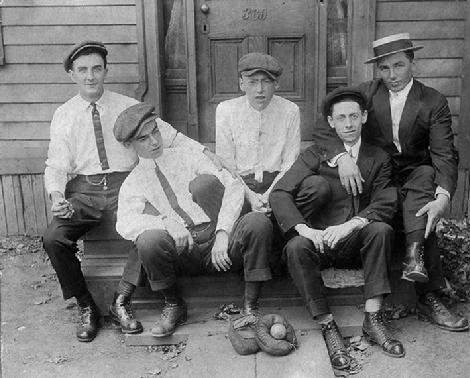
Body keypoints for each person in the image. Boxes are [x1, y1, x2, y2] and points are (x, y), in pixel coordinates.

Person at [42, 40, 222, 342]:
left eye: (96, 69)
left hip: (129, 183)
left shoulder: (126, 106)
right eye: (82, 70)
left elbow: (170, 136)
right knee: (53, 238)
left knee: (148, 225)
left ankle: (121, 301)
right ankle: (86, 305)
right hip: (85, 191)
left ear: (105, 71)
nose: (90, 77)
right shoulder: (64, 115)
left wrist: (205, 151)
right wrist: (57, 196)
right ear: (71, 75)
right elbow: (56, 165)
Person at [313, 33, 469, 332]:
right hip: (377, 177)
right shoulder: (366, 94)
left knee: (424, 186)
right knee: (416, 201)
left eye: (399, 66)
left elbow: (444, 154)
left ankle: (421, 275)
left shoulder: (432, 100)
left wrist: (444, 196)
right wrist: (342, 158)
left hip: (416, 179)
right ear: (377, 70)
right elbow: (323, 125)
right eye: (384, 69)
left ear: (413, 63)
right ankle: (420, 272)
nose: (392, 75)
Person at [270, 87, 404, 376]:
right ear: (330, 122)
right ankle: (327, 325)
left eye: (354, 116)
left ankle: (373, 318)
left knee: (380, 229)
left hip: (353, 240)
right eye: (341, 118)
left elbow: (387, 199)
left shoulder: (378, 157)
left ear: (364, 117)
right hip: (319, 242)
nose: (348, 124)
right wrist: (305, 230)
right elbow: (279, 193)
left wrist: (351, 226)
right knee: (294, 247)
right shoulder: (314, 155)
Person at [114, 103, 275, 337]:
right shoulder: (133, 182)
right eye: (143, 139)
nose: (154, 142)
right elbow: (125, 222)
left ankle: (251, 306)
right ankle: (174, 304)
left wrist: (222, 233)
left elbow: (232, 186)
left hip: (219, 241)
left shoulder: (187, 156)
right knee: (148, 240)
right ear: (129, 145)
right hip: (185, 249)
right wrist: (166, 223)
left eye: (155, 132)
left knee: (257, 222)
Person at [215, 52, 301, 214]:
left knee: (315, 186)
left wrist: (270, 194)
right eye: (252, 82)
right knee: (206, 186)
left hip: (276, 182)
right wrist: (251, 197)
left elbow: (290, 162)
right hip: (241, 183)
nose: (260, 90)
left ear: (276, 84)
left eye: (266, 82)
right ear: (242, 84)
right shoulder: (226, 110)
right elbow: (226, 163)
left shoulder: (290, 111)